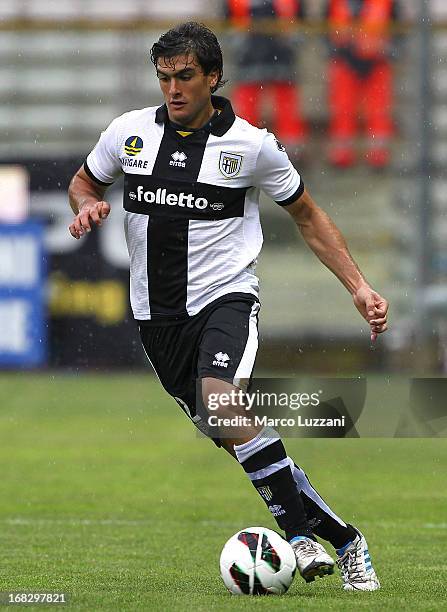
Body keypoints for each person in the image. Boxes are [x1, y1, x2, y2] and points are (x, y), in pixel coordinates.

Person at [68, 21, 388, 590]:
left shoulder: (252, 145)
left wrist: (359, 287)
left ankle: (298, 540)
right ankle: (346, 541)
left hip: (225, 301)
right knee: (240, 439)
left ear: (213, 76)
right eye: (165, 77)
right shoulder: (129, 133)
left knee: (222, 405)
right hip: (156, 319)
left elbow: (309, 216)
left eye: (185, 76)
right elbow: (84, 183)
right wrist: (87, 206)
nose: (173, 88)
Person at [223, 0, 308, 155]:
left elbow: (302, 21)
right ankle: (244, 148)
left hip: (281, 54)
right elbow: (227, 21)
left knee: (286, 103)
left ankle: (292, 150)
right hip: (249, 55)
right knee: (247, 103)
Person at [325, 0, 401, 168]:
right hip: (344, 60)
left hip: (377, 60)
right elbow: (326, 26)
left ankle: (378, 154)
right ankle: (342, 153)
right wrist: (334, 50)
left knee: (379, 109)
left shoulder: (386, 3)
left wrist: (388, 49)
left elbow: (398, 28)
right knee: (343, 107)